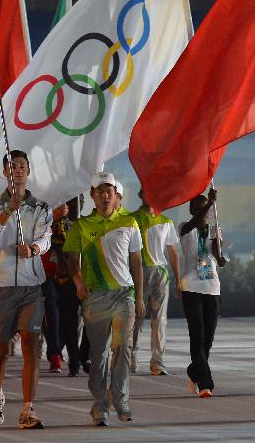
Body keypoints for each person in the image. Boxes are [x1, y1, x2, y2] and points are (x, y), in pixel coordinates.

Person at [65, 172, 145, 426]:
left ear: (115, 193)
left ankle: (120, 399)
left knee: (122, 347)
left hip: (124, 293)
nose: (105, 194)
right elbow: (70, 259)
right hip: (95, 295)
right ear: (92, 195)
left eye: (109, 189)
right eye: (100, 190)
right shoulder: (81, 225)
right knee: (98, 354)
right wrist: (78, 284)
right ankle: (100, 405)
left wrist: (140, 296)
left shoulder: (130, 222)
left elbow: (137, 261)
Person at [0, 150, 52, 429]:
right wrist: (8, 210)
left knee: (31, 345)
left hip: (31, 286)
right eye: (13, 167)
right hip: (0, 286)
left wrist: (33, 249)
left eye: (22, 166)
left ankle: (28, 409)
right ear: (5, 172)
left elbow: (46, 237)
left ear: (28, 171)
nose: (18, 170)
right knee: (1, 349)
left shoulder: (41, 208)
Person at [178, 189, 225, 397]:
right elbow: (194, 222)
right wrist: (209, 204)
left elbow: (217, 255)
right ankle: (206, 383)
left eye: (204, 208)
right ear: (191, 210)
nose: (203, 212)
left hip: (211, 286)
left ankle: (193, 370)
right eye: (197, 209)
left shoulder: (214, 229)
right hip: (191, 285)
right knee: (197, 334)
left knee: (209, 336)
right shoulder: (184, 228)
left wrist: (222, 258)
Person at [129, 188, 181, 375]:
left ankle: (157, 362)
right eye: (147, 193)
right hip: (139, 273)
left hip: (160, 274)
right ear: (141, 195)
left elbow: (172, 251)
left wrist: (178, 278)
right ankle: (131, 358)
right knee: (135, 318)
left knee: (160, 320)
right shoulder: (132, 219)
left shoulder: (166, 222)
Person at [53, 198, 83, 377]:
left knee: (88, 323)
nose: (76, 206)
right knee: (69, 322)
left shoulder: (85, 223)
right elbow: (56, 247)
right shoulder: (59, 225)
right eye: (73, 202)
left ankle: (85, 355)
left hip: (89, 279)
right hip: (67, 280)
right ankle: (74, 362)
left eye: (80, 201)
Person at [42, 203, 69, 374]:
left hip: (68, 277)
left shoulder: (74, 224)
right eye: (61, 202)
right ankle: (55, 355)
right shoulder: (43, 224)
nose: (64, 206)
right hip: (47, 276)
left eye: (67, 203)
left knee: (69, 318)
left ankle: (59, 347)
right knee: (52, 316)